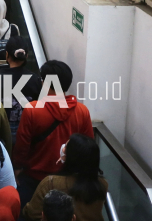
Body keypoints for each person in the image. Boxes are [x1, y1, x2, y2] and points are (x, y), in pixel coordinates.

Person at [13, 61, 94, 207]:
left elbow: (22, 145)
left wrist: (17, 168)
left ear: (44, 82)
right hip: (69, 181)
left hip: (35, 178)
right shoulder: (82, 111)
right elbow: (89, 146)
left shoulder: (32, 109)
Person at [22, 134, 108, 221]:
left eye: (66, 147)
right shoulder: (103, 185)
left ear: (71, 157)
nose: (63, 149)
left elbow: (31, 213)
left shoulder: (50, 183)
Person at [0, 35, 41, 145]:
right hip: (28, 134)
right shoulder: (35, 80)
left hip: (3, 134)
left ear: (7, 55)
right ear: (27, 56)